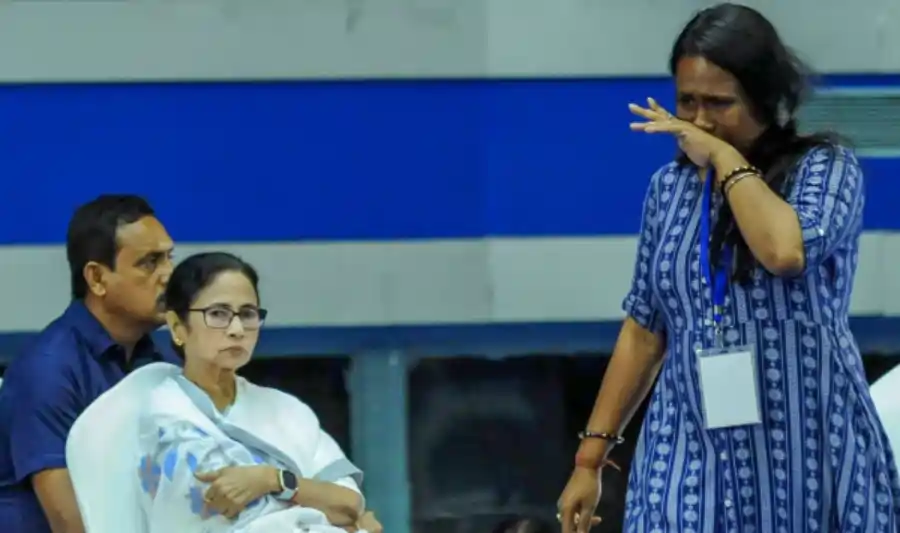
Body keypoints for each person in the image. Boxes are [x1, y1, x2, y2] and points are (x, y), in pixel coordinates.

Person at [557, 3, 900, 533]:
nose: (697, 121)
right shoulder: (667, 191)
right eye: (686, 101)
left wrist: (723, 158)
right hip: (691, 440)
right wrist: (589, 460)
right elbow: (645, 330)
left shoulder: (825, 170)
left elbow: (784, 253)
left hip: (807, 446)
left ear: (765, 101)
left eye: (719, 104)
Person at [134, 251, 382, 533]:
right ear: (178, 327)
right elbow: (234, 516)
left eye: (248, 314)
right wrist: (324, 511)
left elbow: (349, 505)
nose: (237, 329)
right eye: (218, 314)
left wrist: (272, 479)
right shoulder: (166, 414)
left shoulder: (288, 410)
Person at [0, 195, 179, 533]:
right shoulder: (47, 371)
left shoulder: (162, 360)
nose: (169, 275)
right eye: (149, 262)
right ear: (97, 278)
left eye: (170, 258)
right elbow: (70, 525)